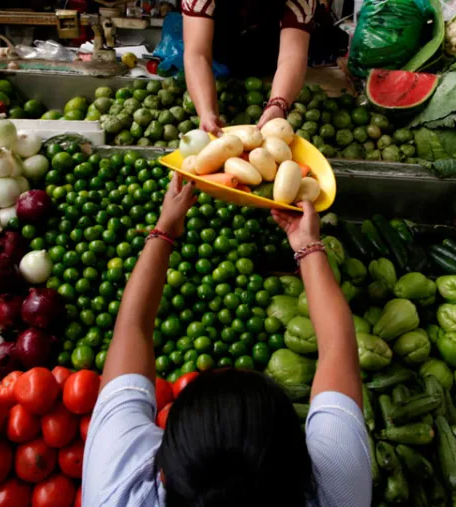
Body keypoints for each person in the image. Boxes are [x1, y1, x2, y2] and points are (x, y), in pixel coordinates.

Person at [82, 174, 371, 507]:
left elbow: (130, 327)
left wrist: (164, 230)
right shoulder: (338, 490)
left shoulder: (115, 492)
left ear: (162, 471)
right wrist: (307, 244)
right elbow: (339, 346)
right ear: (304, 465)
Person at [181, 0, 316, 134]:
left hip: (270, 60)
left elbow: (291, 56)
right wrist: (206, 111)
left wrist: (278, 104)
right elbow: (198, 55)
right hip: (220, 59)